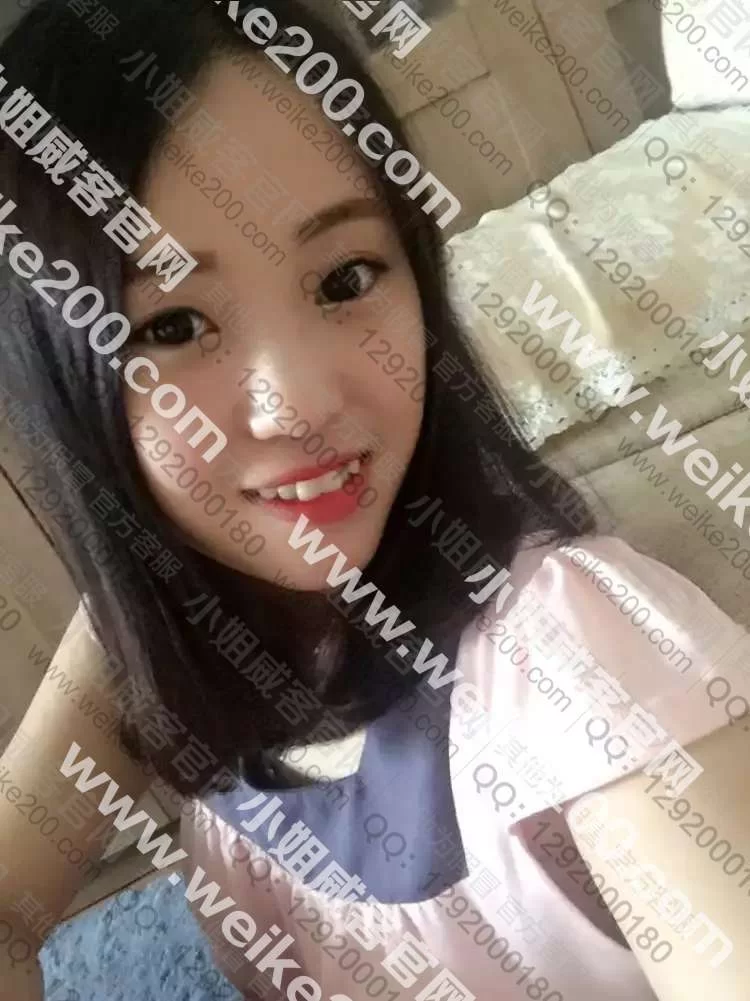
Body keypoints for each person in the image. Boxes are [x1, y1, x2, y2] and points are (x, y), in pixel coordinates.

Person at [0, 2, 748, 999]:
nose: (302, 402)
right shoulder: (157, 611)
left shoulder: (573, 656)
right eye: (173, 325)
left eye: (346, 277)